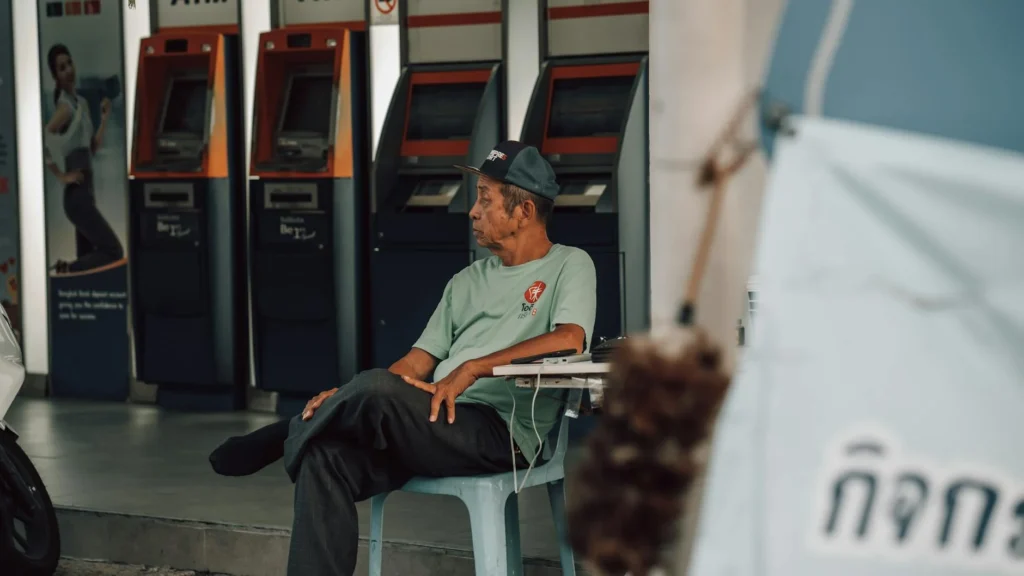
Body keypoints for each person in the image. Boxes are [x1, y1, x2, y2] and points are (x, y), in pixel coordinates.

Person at [208, 141, 597, 576]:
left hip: (500, 432)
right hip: (432, 421)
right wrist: (355, 394)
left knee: (372, 390)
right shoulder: (467, 280)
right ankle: (316, 423)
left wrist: (472, 368)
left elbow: (570, 339)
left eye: (485, 200)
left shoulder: (569, 264)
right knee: (327, 458)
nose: (473, 211)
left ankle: (288, 432)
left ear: (524, 211)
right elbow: (416, 363)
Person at [43, 44, 124, 274]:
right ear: (55, 76)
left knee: (88, 266)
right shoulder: (65, 108)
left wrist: (105, 119)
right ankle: (65, 269)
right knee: (113, 251)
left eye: (69, 63)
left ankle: (72, 275)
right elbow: (42, 139)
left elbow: (92, 148)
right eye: (61, 68)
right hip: (76, 197)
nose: (68, 70)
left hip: (87, 193)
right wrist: (61, 176)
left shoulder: (82, 104)